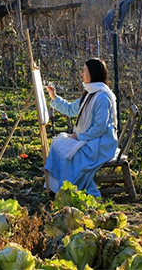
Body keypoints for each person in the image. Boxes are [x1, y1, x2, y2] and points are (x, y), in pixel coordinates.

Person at [44, 58, 118, 197]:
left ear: (92, 73)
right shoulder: (89, 93)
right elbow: (71, 109)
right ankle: (57, 187)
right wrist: (54, 97)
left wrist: (79, 137)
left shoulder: (102, 97)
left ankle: (68, 189)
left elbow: (100, 128)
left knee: (70, 155)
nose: (82, 74)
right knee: (58, 143)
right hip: (89, 139)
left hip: (100, 143)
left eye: (84, 71)